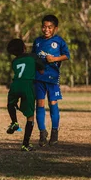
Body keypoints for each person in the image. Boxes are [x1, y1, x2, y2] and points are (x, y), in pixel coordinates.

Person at [32, 15, 70, 147]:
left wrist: (54, 59)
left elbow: (66, 56)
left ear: (55, 28)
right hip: (38, 78)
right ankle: (42, 133)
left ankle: (55, 132)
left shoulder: (59, 41)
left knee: (53, 103)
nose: (46, 29)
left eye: (49, 27)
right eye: (44, 26)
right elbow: (33, 57)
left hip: (52, 78)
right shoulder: (37, 41)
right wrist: (38, 67)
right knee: (40, 104)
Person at [6, 39, 45, 151]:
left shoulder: (14, 61)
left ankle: (14, 122)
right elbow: (41, 71)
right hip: (28, 85)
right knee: (30, 116)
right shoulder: (33, 57)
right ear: (24, 47)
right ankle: (25, 144)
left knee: (10, 104)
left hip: (16, 84)